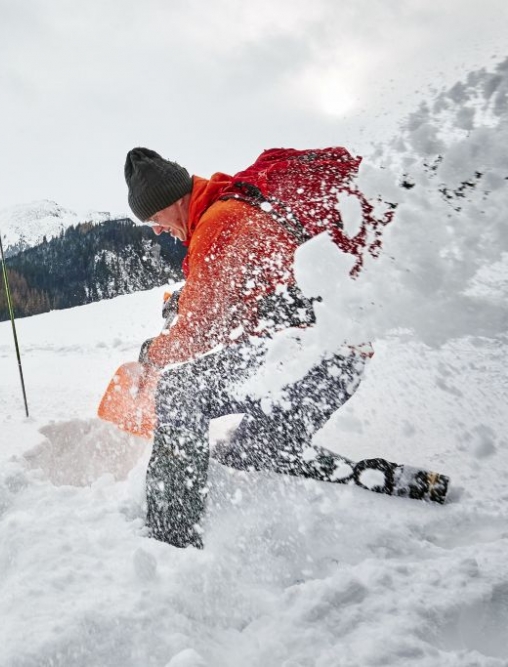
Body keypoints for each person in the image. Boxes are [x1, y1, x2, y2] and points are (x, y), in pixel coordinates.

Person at [121, 147, 448, 549]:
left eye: (154, 218)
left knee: (178, 392)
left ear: (172, 199)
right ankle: (392, 480)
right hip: (337, 364)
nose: (156, 229)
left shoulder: (218, 222)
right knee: (253, 452)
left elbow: (198, 333)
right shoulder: (235, 203)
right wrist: (185, 301)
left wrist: (150, 353)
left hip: (303, 355)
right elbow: (241, 286)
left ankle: (169, 541)